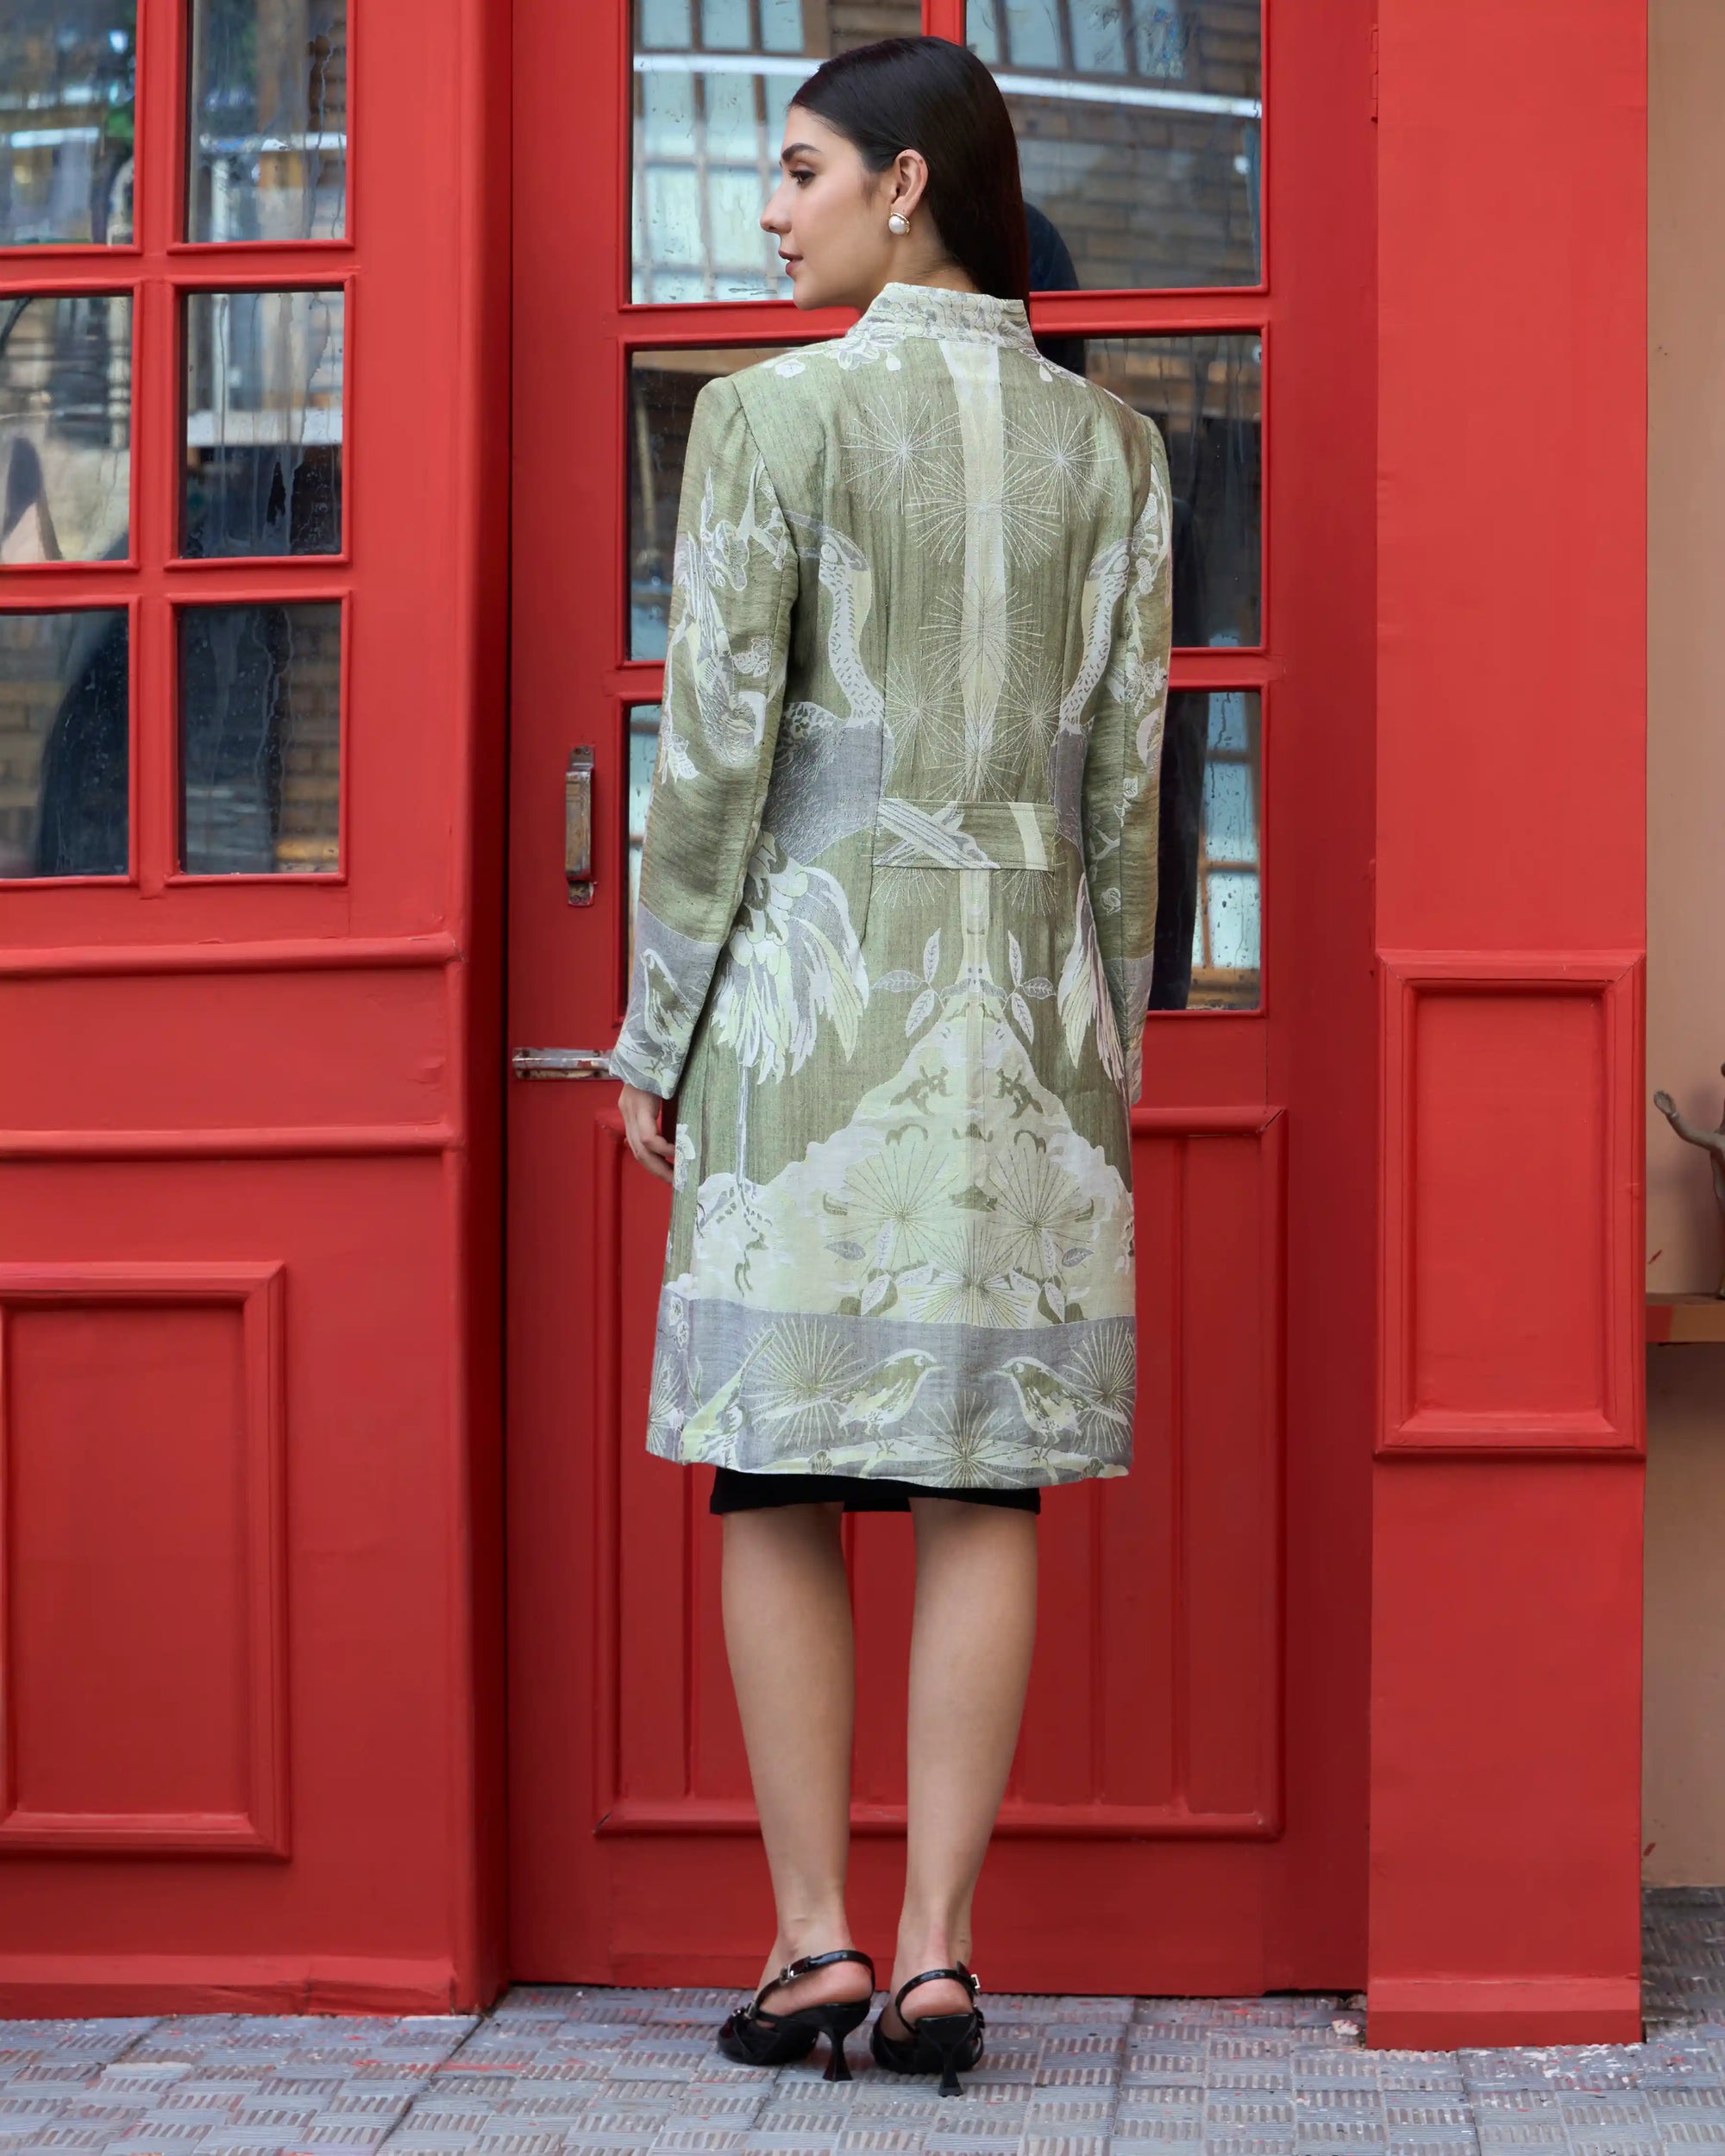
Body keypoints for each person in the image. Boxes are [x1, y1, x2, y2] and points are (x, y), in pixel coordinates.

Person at [611, 33, 1172, 2097]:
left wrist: (653, 1028)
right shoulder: (1116, 451)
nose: (770, 211)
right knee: (979, 1466)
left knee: (776, 1461)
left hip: (809, 994)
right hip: (1026, 1010)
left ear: (904, 185)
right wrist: (1106, 1037)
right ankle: (938, 1948)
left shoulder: (768, 419)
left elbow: (710, 766)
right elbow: (1130, 794)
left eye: (796, 169)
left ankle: (811, 1937)